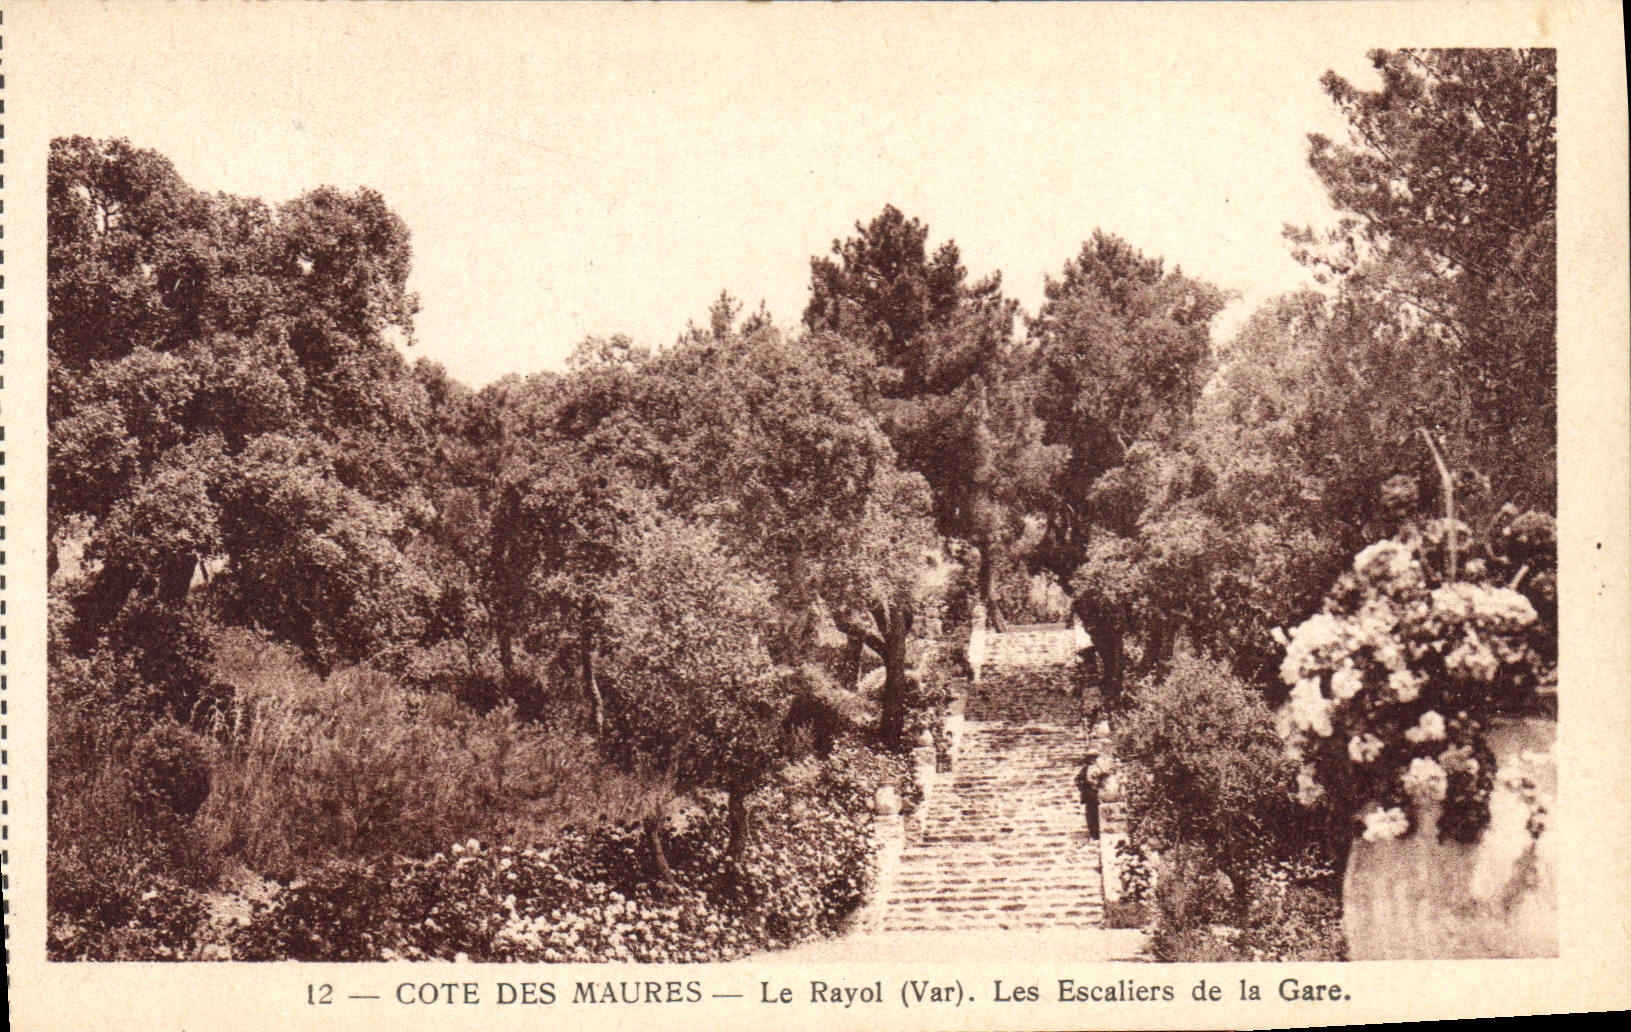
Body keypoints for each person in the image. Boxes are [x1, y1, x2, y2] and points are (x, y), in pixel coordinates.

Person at [1076, 753, 1102, 839]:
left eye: (1094, 759)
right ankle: (1094, 833)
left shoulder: (1099, 768)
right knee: (1090, 814)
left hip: (1099, 794)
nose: (1092, 761)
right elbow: (1077, 780)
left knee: (1097, 814)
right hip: (1089, 795)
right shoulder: (1085, 769)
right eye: (1091, 759)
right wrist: (1083, 788)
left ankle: (1097, 832)